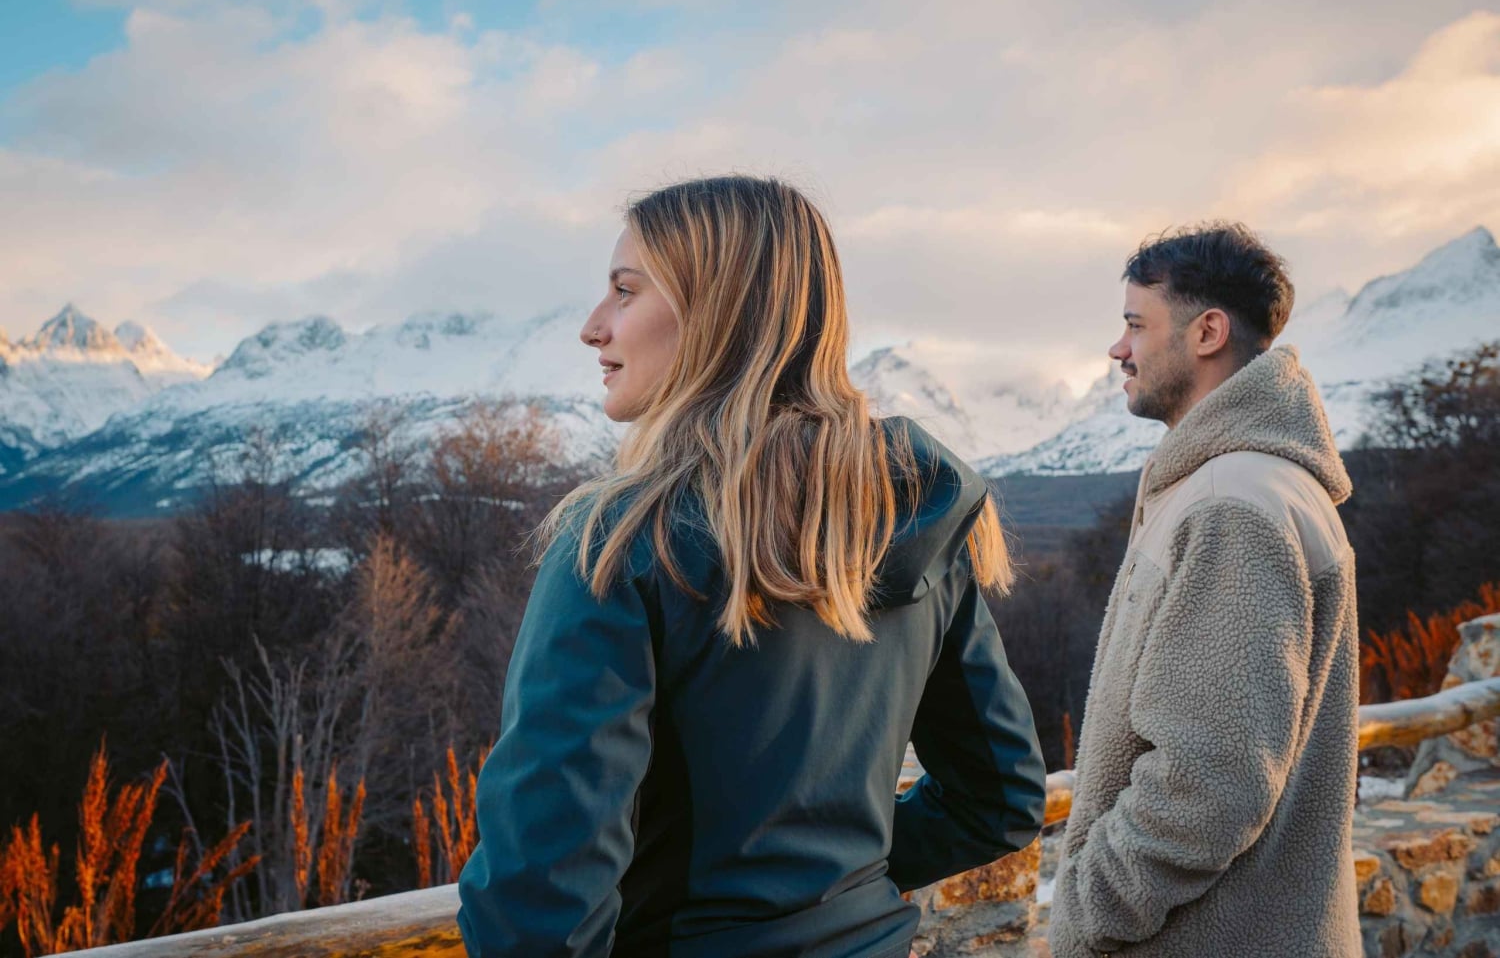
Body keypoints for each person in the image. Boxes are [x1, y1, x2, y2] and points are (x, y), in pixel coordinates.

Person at [456, 176, 1047, 958]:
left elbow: (535, 905)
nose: (593, 327)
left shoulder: (622, 543)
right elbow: (999, 797)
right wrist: (838, 889)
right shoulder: (911, 511)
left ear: (714, 315)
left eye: (625, 291)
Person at [1049, 223, 1360, 957]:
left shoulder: (1232, 504)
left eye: (1136, 324)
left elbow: (1209, 781)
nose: (1118, 349)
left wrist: (1087, 914)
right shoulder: (1250, 482)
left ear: (1208, 333)